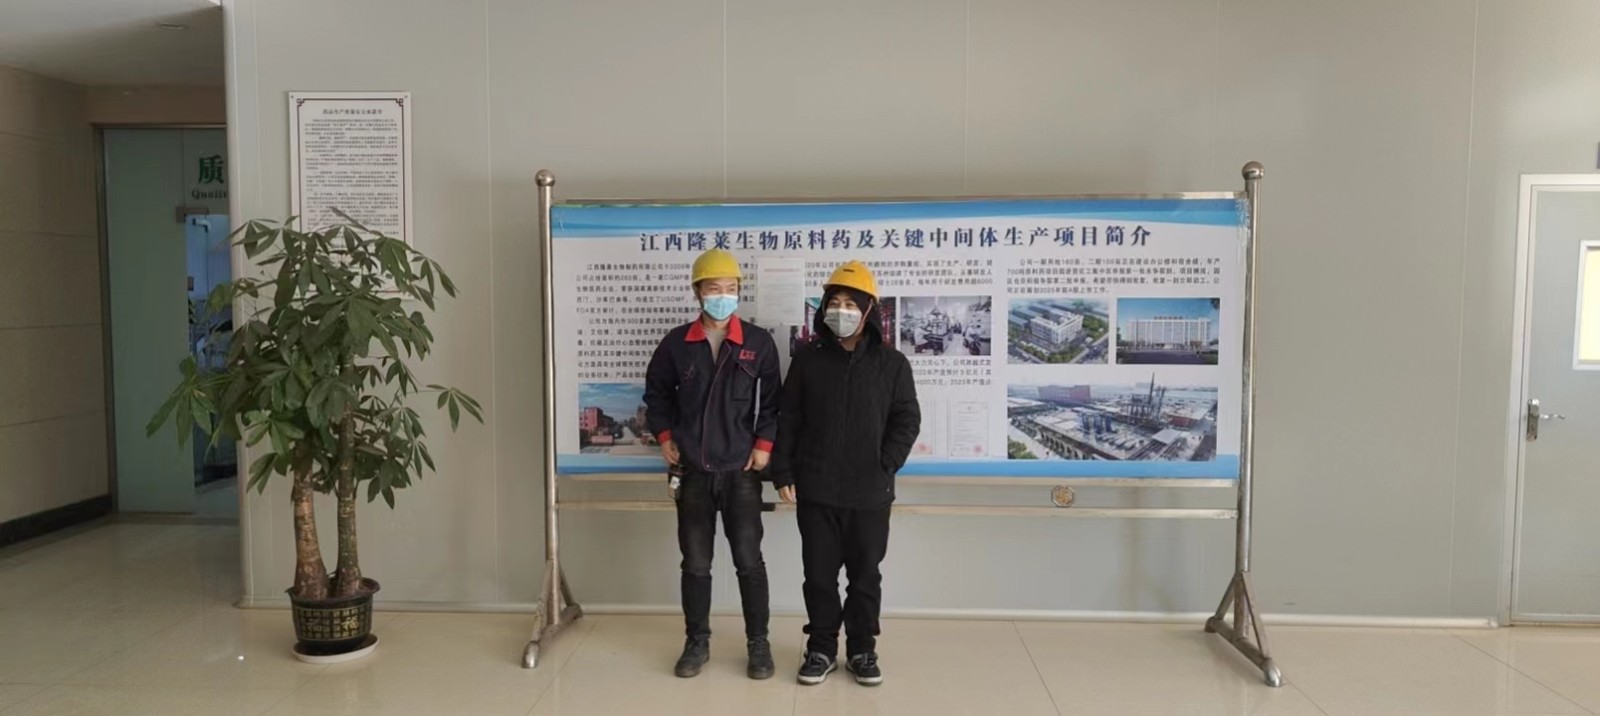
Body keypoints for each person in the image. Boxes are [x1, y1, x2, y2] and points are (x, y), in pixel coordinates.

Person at [771, 260, 920, 687]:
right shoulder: (808, 360)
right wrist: (783, 471)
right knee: (819, 576)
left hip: (870, 492)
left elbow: (906, 419)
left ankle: (861, 649)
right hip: (816, 489)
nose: (841, 311)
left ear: (868, 310)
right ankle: (820, 648)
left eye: (851, 304)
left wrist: (886, 462)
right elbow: (789, 418)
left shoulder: (893, 364)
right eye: (834, 302)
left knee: (865, 576)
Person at [644, 248, 783, 680]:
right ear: (698, 292)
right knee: (695, 563)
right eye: (713, 288)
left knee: (749, 561)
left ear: (739, 291)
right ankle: (696, 642)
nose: (723, 296)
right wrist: (664, 436)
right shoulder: (676, 344)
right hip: (693, 473)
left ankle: (758, 644)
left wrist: (764, 445)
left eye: (730, 288)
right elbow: (656, 394)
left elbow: (774, 403)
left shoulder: (757, 343)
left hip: (741, 472)